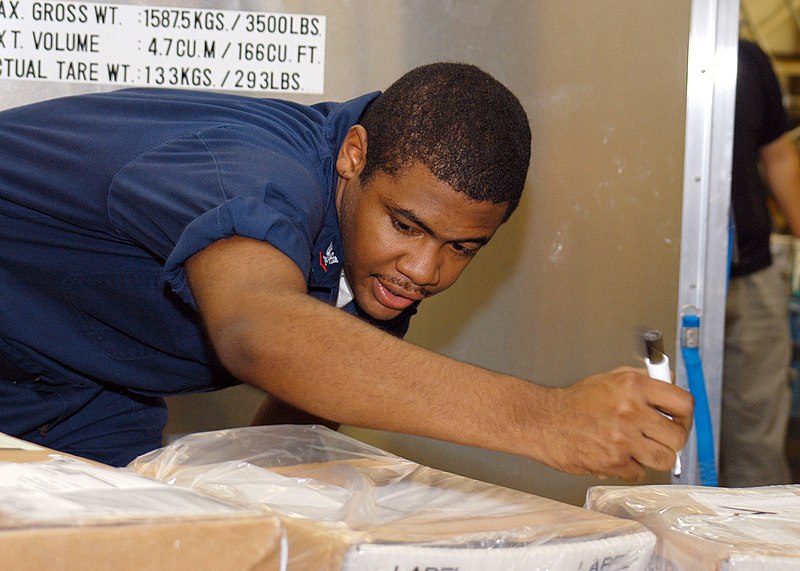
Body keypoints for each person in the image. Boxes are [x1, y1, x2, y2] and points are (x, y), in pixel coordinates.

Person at [0, 62, 692, 480]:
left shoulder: (380, 256)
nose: (425, 268)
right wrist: (542, 417)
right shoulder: (257, 174)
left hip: (76, 381)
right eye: (408, 227)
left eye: (463, 248)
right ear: (353, 156)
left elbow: (310, 397)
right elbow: (259, 329)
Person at [720, 40, 800, 486]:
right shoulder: (644, 50)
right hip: (668, 278)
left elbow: (779, 156)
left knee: (757, 440)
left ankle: (755, 550)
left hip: (753, 273)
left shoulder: (747, 59)